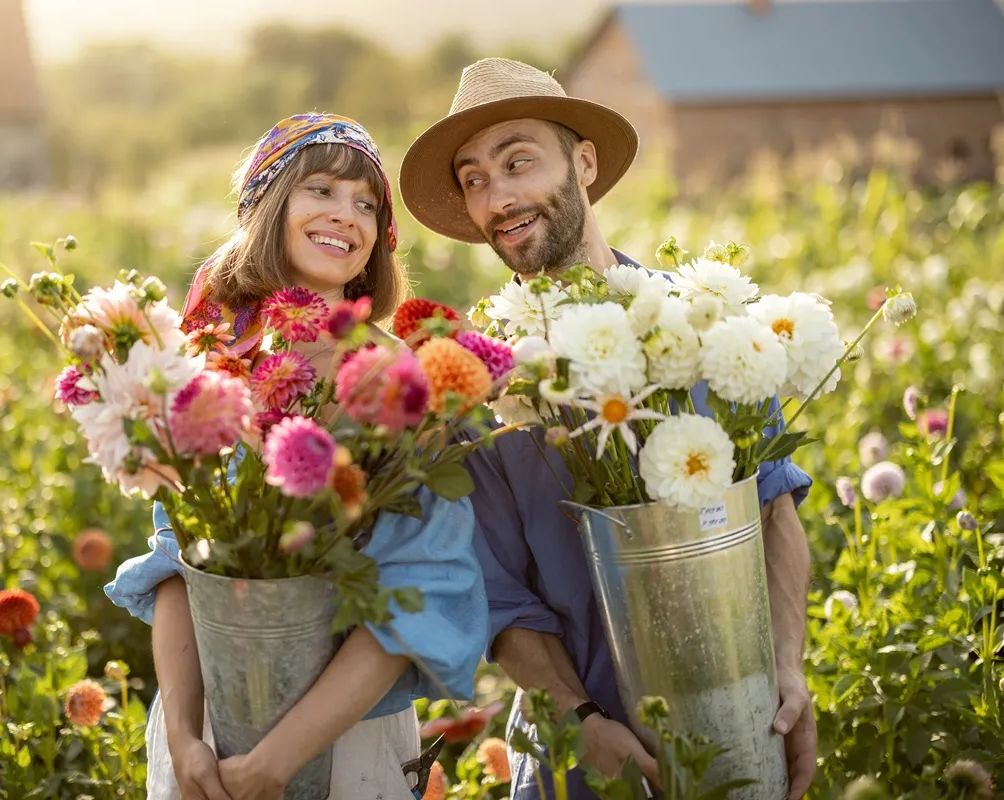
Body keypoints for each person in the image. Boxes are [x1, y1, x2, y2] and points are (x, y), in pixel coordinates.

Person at [399, 59, 818, 800]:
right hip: (582, 769)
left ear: (583, 162)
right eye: (474, 179)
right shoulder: (480, 386)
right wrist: (583, 719)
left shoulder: (701, 324)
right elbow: (502, 601)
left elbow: (773, 508)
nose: (498, 197)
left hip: (747, 735)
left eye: (517, 161)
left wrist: (787, 669)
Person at [105, 113, 488, 800]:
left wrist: (276, 762)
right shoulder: (211, 360)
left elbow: (420, 584)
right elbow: (175, 564)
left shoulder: (398, 379)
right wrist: (186, 740)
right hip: (205, 740)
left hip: (343, 745)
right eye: (322, 190)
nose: (347, 215)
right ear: (269, 204)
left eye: (366, 203)